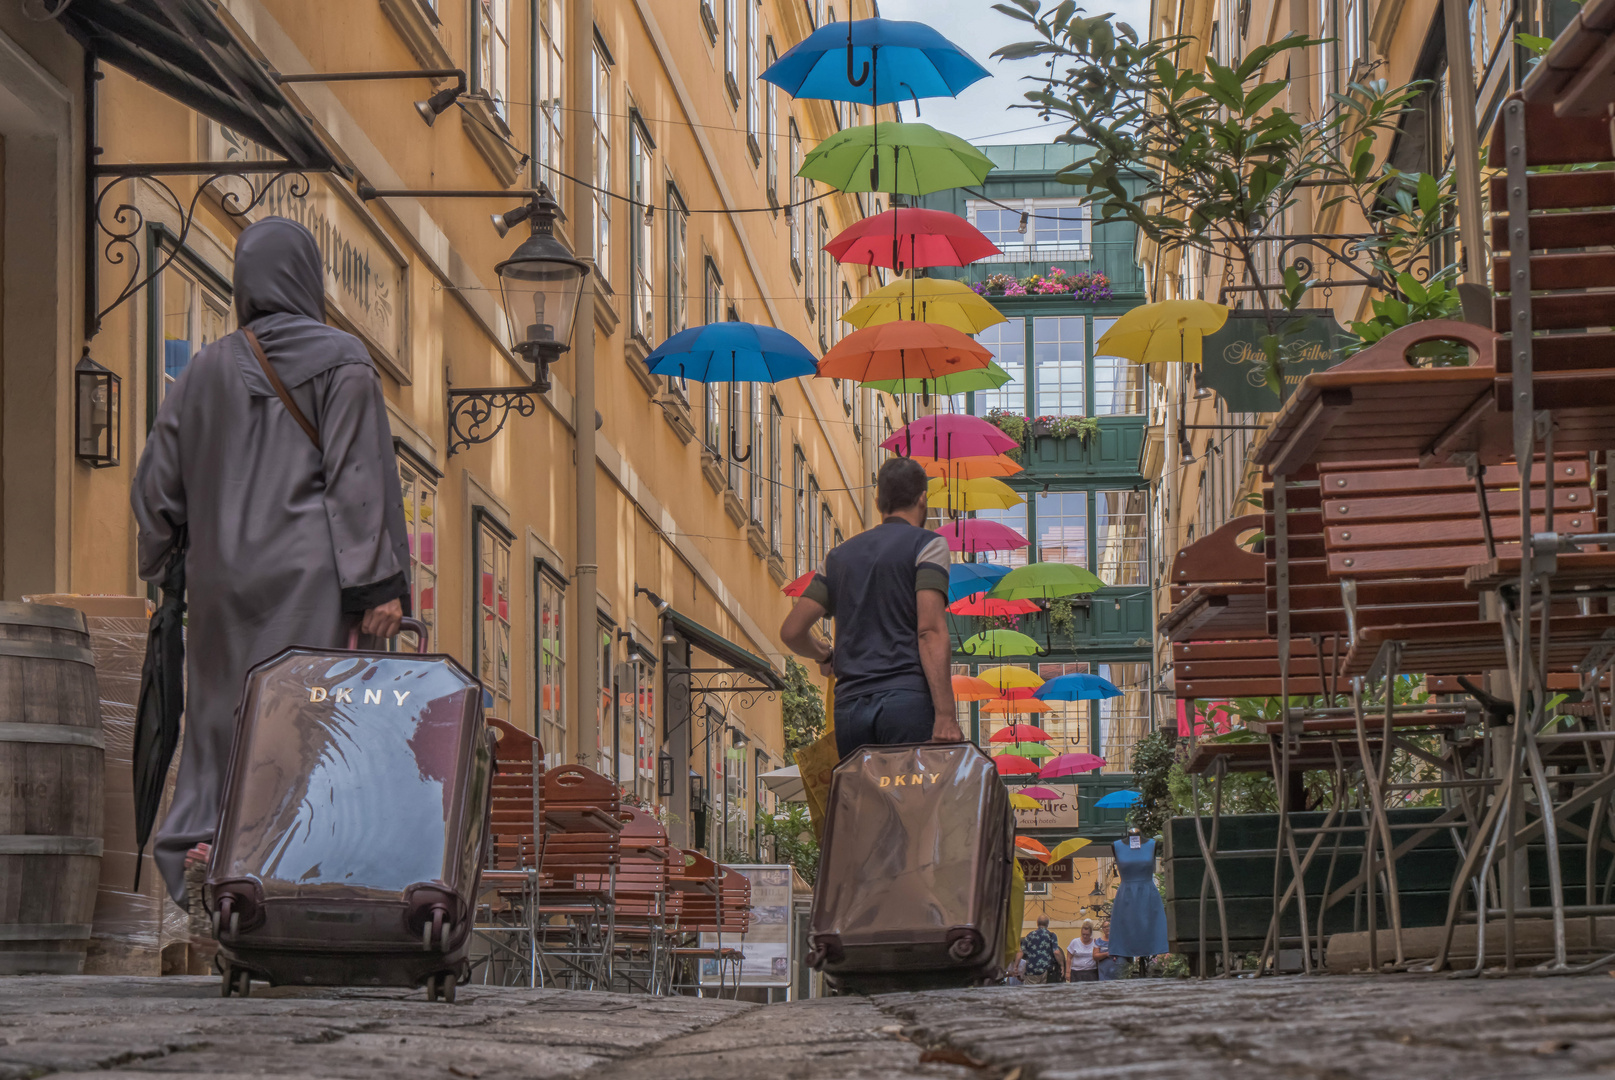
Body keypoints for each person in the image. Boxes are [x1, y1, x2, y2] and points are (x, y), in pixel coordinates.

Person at [132, 217, 411, 903]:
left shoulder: (201, 370)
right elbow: (358, 479)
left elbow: (154, 490)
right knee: (308, 726)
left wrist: (168, 560)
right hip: (312, 582)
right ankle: (291, 876)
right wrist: (379, 586)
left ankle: (206, 857)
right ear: (308, 278)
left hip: (222, 587)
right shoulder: (343, 361)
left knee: (221, 723)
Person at [780, 457, 962, 757]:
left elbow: (792, 631)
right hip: (906, 701)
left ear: (879, 502)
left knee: (867, 802)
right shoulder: (928, 546)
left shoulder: (838, 557)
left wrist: (824, 654)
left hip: (851, 708)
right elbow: (929, 630)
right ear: (922, 500)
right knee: (912, 801)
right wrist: (945, 715)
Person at [1018, 915, 1061, 985]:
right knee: (1043, 993)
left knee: (1032, 994)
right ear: (1047, 924)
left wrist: (1016, 967)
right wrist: (1062, 965)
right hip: (1045, 971)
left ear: (1037, 923)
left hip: (1031, 971)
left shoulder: (1030, 935)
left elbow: (1021, 951)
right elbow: (1056, 952)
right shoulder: (1051, 936)